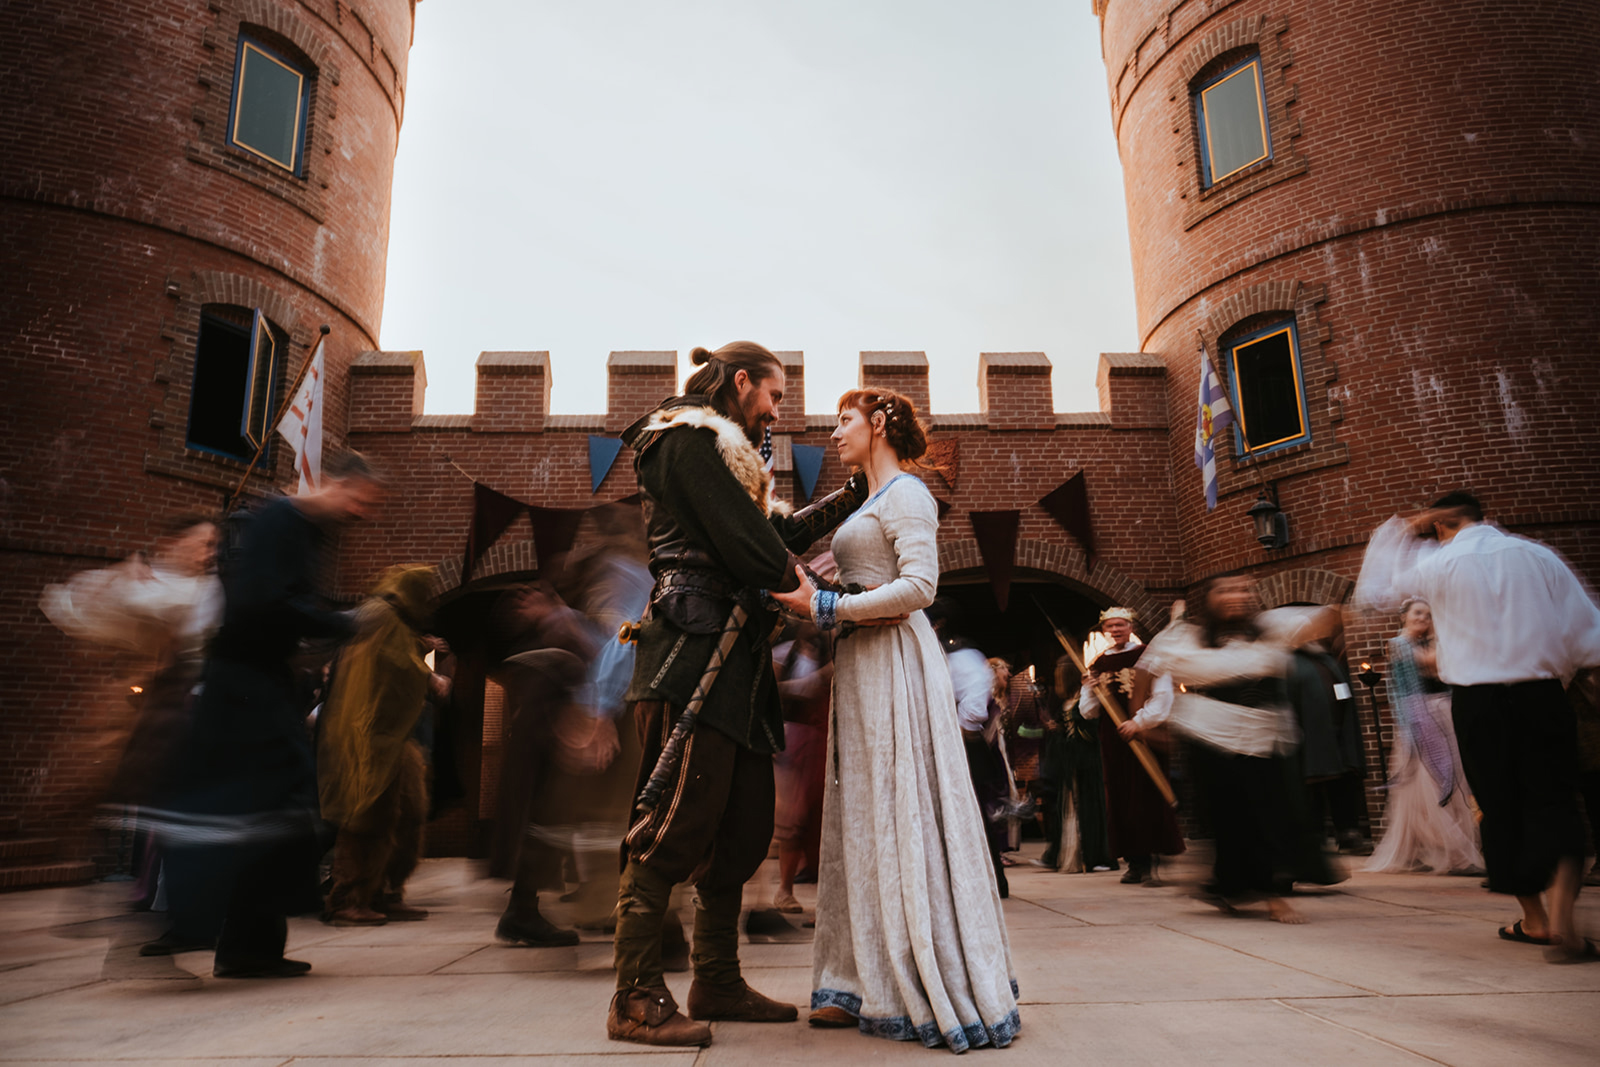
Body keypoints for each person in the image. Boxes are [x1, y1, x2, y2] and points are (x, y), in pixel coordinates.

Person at [606, 341, 868, 1047]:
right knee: (672, 825)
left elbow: (766, 533)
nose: (778, 411)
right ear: (741, 381)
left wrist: (854, 495)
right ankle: (633, 996)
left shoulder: (725, 458)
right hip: (692, 651)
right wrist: (822, 599)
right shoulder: (682, 437)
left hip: (737, 660)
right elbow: (755, 549)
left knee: (742, 827)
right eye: (774, 396)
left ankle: (715, 977)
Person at [773, 387, 1019, 1053]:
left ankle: (906, 975)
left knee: (895, 807)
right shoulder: (867, 497)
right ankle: (852, 976)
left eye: (844, 421)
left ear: (879, 423)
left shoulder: (907, 494)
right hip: (858, 664)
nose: (834, 433)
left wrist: (825, 606)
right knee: (859, 816)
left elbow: (919, 587)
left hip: (894, 664)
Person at [149, 452, 385, 976]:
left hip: (261, 683)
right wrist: (342, 622)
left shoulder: (303, 531)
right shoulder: (283, 520)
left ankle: (247, 945)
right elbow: (263, 602)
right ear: (335, 485)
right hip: (244, 686)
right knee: (268, 809)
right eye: (359, 501)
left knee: (273, 813)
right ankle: (210, 932)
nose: (360, 515)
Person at [1355, 492, 1600, 959]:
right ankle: (1566, 920)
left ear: (1442, 525)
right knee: (1555, 801)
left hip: (1479, 701)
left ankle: (1535, 920)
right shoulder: (1537, 555)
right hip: (1542, 693)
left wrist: (1406, 528)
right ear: (1486, 518)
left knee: (1498, 805)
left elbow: (1375, 591)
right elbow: (1587, 633)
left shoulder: (1440, 563)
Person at [1140, 575, 1312, 923]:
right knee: (1227, 818)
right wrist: (1145, 721)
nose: (1236, 596)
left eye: (1243, 589)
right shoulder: (1190, 639)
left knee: (1268, 815)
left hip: (1262, 736)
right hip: (1211, 736)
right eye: (1226, 590)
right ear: (1210, 598)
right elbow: (1149, 667)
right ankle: (1232, 885)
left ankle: (1266, 889)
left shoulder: (1268, 631)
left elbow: (1317, 623)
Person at [317, 564, 437, 926]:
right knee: (368, 819)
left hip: (394, 739)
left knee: (407, 816)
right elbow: (393, 667)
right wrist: (428, 675)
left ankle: (386, 891)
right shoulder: (380, 615)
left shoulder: (399, 622)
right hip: (367, 737)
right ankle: (347, 899)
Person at [1365, 598, 1484, 876]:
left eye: (1429, 615)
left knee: (1453, 784)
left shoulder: (1429, 642)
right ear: (1404, 616)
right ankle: (1456, 856)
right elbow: (1420, 674)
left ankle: (1422, 850)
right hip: (1420, 717)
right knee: (1429, 786)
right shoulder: (1400, 645)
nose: (1423, 619)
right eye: (1418, 613)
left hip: (1445, 713)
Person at [1081, 608, 1185, 885]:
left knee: (1146, 795)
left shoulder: (1149, 657)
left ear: (1131, 626)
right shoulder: (1099, 662)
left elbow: (1162, 697)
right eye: (1110, 626)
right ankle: (1134, 861)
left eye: (1121, 624)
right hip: (1113, 738)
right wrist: (1088, 689)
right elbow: (1089, 712)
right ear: (1105, 630)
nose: (1115, 630)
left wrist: (1138, 723)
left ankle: (1152, 857)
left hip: (1143, 736)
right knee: (1120, 798)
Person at [928, 600, 1008, 898]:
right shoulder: (933, 654)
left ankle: (989, 883)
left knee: (969, 814)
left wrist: (954, 733)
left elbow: (974, 710)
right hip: (940, 741)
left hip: (961, 744)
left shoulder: (965, 656)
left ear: (939, 624)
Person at [1286, 609, 1371, 856]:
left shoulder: (1327, 660)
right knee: (1312, 791)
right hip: (1309, 739)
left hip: (1338, 735)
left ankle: (1348, 832)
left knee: (1343, 784)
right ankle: (1314, 839)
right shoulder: (1290, 663)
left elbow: (1342, 692)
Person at [1035, 655, 1115, 873]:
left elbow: (1091, 729)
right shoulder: (1069, 699)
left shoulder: (1086, 695)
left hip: (1086, 760)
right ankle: (1062, 853)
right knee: (1068, 807)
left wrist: (1069, 732)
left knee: (1089, 807)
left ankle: (1096, 855)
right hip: (1071, 760)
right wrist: (1058, 729)